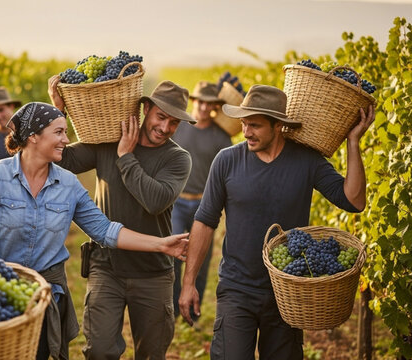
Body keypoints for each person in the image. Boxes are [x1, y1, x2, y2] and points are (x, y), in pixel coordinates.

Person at [0, 102, 189, 360]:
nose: (66, 140)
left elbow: (105, 230)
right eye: (59, 132)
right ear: (34, 136)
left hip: (45, 295)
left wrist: (160, 244)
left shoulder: (68, 184)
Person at [178, 84, 375, 359]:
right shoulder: (227, 161)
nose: (246, 132)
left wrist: (353, 142)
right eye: (244, 124)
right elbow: (204, 221)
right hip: (237, 290)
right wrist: (188, 284)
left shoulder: (307, 161)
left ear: (278, 126)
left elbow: (354, 201)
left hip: (289, 294)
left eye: (255, 125)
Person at [48, 77, 194, 359]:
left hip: (154, 273)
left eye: (174, 122)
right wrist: (59, 112)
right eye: (161, 117)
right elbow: (60, 159)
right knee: (99, 350)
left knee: (151, 353)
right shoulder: (106, 142)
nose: (165, 128)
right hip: (106, 267)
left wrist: (126, 157)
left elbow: (155, 201)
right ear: (146, 108)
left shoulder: (178, 158)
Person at [171, 81, 232, 323]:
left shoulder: (221, 137)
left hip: (204, 207)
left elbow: (228, 177)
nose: (204, 107)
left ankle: (192, 314)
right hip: (176, 203)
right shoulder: (178, 127)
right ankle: (173, 308)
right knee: (172, 255)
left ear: (215, 106)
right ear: (194, 101)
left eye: (210, 103)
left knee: (201, 262)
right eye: (201, 101)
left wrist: (228, 214)